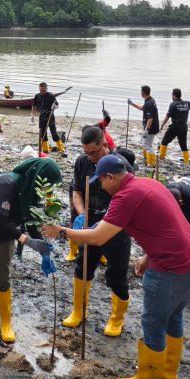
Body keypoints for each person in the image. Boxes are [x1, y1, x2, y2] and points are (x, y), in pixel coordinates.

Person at [44, 154, 190, 379]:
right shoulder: (149, 184)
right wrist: (148, 255)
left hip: (171, 269)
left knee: (153, 323)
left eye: (102, 181)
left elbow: (99, 237)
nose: (101, 186)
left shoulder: (125, 196)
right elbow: (169, 226)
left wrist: (63, 232)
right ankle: (168, 372)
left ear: (111, 177)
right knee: (173, 318)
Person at [0, 157, 62, 343]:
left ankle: (5, 323)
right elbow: (1, 221)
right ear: (39, 175)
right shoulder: (7, 184)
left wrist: (43, 249)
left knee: (3, 276)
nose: (48, 189)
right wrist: (27, 241)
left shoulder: (33, 190)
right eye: (48, 183)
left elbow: (31, 219)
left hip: (5, 235)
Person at [61, 126, 133, 338]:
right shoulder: (82, 162)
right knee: (83, 265)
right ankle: (78, 311)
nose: (90, 157)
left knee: (117, 274)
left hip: (116, 227)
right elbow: (76, 191)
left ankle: (116, 319)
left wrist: (108, 222)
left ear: (105, 145)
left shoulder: (121, 166)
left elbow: (129, 200)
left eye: (94, 152)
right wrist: (82, 214)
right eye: (87, 153)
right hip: (90, 224)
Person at [158, 88, 190, 165]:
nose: (171, 96)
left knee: (164, 141)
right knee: (183, 145)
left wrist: (162, 125)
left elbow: (167, 116)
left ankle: (161, 157)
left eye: (172, 95)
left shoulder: (173, 104)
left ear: (174, 95)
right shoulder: (187, 103)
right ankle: (186, 161)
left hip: (174, 127)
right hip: (183, 127)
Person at [128, 86, 159, 167]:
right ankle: (147, 159)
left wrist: (147, 130)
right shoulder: (150, 100)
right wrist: (132, 104)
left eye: (141, 91)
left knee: (147, 145)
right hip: (153, 127)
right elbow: (143, 108)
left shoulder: (149, 103)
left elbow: (150, 118)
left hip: (151, 127)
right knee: (147, 144)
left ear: (143, 92)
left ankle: (151, 163)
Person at [31, 82, 65, 156]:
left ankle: (62, 149)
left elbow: (57, 105)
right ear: (39, 89)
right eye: (41, 90)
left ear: (46, 89)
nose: (42, 92)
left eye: (43, 90)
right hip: (42, 116)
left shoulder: (51, 96)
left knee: (54, 134)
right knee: (42, 133)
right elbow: (34, 105)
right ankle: (45, 150)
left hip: (50, 116)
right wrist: (32, 115)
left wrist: (54, 107)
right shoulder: (37, 96)